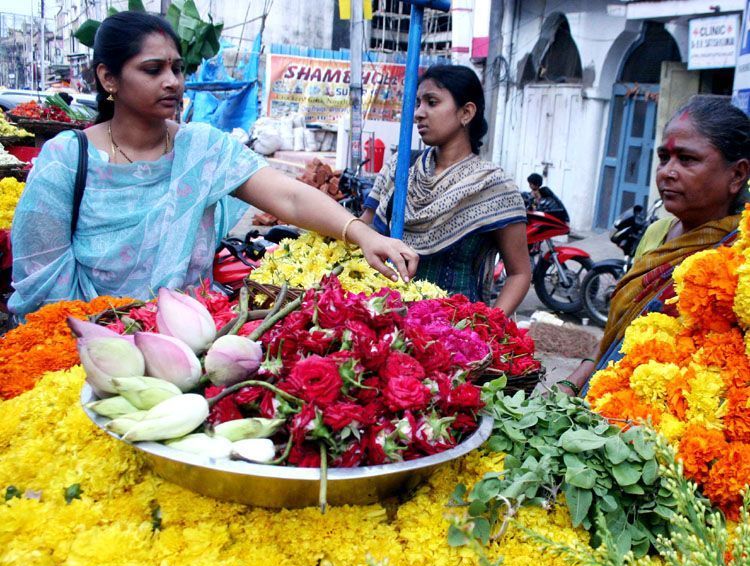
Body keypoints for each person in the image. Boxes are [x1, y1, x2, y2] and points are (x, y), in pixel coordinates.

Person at [9, 12, 417, 317]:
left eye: (177, 68)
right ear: (108, 78)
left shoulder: (201, 148)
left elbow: (288, 197)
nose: (172, 81)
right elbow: (43, 277)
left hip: (190, 342)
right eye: (153, 69)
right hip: (87, 347)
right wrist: (105, 334)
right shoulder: (67, 160)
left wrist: (361, 234)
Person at [558, 95, 750, 396]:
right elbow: (618, 330)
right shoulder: (657, 233)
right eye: (664, 158)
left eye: (687, 159)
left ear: (736, 175)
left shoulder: (741, 253)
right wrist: (572, 384)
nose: (666, 172)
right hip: (612, 402)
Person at [360, 65, 531, 315]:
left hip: (455, 328)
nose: (419, 113)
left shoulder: (493, 186)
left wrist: (488, 326)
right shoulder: (401, 168)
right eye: (418, 103)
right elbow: (363, 230)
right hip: (387, 317)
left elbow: (519, 273)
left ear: (466, 112)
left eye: (431, 102)